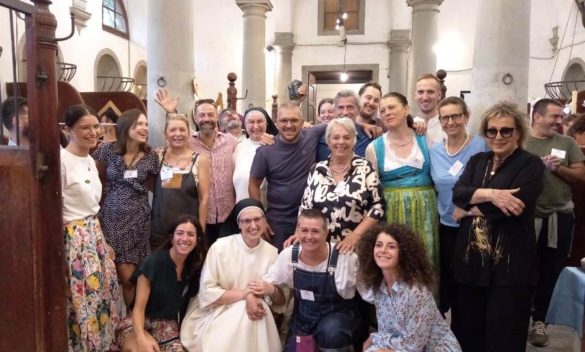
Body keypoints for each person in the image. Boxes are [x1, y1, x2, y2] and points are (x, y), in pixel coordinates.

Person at [451, 102, 545, 351]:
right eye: (492, 131)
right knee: (468, 330)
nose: (498, 136)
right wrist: (493, 194)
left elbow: (515, 205)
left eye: (506, 131)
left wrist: (470, 207)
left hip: (510, 265)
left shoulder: (531, 164)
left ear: (518, 133)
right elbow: (458, 193)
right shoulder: (477, 160)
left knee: (504, 332)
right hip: (471, 262)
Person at [181, 199, 281, 352]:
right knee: (245, 311)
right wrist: (246, 295)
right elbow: (207, 293)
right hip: (217, 310)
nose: (253, 225)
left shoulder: (272, 254)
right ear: (238, 224)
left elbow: (281, 301)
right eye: (247, 221)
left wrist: (270, 290)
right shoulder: (220, 247)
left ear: (265, 221)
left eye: (257, 219)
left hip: (257, 310)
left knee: (255, 312)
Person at [525, 98, 585, 347]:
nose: (559, 121)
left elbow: (580, 175)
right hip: (526, 217)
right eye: (555, 116)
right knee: (523, 269)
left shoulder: (567, 143)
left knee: (551, 269)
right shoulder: (522, 142)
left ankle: (540, 322)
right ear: (537, 117)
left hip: (558, 217)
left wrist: (558, 168)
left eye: (561, 117)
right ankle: (518, 316)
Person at [61, 104, 121, 351]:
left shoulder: (90, 158)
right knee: (82, 300)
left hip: (94, 234)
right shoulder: (61, 161)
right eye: (84, 128)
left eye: (95, 126)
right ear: (67, 130)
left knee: (103, 295)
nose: (92, 132)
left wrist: (103, 242)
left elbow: (92, 206)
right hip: (73, 238)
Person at [262, 209, 361, 351]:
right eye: (304, 230)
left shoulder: (344, 257)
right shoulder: (289, 255)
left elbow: (367, 290)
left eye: (315, 231)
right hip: (303, 320)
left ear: (326, 233)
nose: (309, 236)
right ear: (297, 231)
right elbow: (270, 281)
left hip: (336, 318)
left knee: (331, 334)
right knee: (296, 349)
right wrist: (254, 295)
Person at [357, 223, 462, 352]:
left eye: (391, 246)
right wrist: (377, 340)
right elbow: (387, 333)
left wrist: (376, 340)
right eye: (378, 245)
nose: (383, 250)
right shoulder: (378, 286)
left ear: (404, 253)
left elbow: (413, 347)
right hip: (401, 346)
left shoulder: (416, 291)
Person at [366, 92, 439, 270]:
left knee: (425, 258)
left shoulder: (425, 138)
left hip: (426, 211)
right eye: (382, 110)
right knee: (395, 261)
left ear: (406, 109)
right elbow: (372, 191)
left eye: (392, 107)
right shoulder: (374, 147)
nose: (387, 113)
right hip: (392, 212)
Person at [93, 108, 159, 306]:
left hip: (139, 219)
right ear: (125, 126)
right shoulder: (107, 150)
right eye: (139, 124)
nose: (144, 128)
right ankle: (126, 323)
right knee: (119, 276)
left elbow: (157, 190)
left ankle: (137, 320)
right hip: (111, 220)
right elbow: (95, 181)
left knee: (136, 276)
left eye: (146, 124)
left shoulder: (151, 156)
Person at [155, 90, 239, 246]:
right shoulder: (188, 141)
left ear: (217, 117)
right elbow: (177, 130)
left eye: (210, 114)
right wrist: (171, 111)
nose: (206, 119)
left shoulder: (232, 142)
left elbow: (249, 145)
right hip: (199, 217)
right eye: (202, 115)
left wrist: (263, 137)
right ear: (195, 118)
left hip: (228, 216)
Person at [429, 96, 486, 322]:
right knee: (447, 282)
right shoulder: (434, 152)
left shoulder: (482, 146)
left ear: (466, 117)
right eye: (445, 117)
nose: (451, 121)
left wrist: (471, 209)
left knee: (468, 287)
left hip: (475, 224)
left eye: (456, 116)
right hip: (444, 225)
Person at [118, 215, 207, 352]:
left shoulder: (195, 267)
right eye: (180, 233)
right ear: (172, 238)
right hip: (137, 322)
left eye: (190, 234)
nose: (184, 238)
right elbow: (138, 310)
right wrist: (141, 339)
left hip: (167, 325)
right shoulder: (152, 262)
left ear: (197, 240)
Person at [297, 117, 385, 252]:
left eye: (346, 137)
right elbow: (305, 207)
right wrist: (298, 233)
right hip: (320, 247)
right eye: (336, 137)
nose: (341, 142)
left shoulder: (365, 167)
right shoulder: (317, 169)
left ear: (354, 141)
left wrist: (355, 235)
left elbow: (378, 207)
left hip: (355, 246)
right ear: (328, 141)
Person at [249, 102, 328, 249]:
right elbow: (253, 183)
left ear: (303, 122)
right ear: (277, 123)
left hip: (309, 219)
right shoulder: (265, 150)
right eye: (284, 120)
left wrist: (368, 125)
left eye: (294, 120)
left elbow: (341, 123)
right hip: (278, 222)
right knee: (279, 266)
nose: (289, 125)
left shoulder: (311, 134)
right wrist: (260, 217)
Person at [151, 113, 211, 248]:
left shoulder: (200, 160)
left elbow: (204, 199)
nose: (177, 134)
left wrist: (199, 232)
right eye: (172, 130)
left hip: (187, 232)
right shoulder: (157, 156)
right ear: (165, 134)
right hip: (160, 230)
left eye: (182, 129)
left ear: (189, 133)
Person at [232, 107, 278, 203]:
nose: (256, 126)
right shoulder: (238, 147)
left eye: (260, 121)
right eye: (251, 122)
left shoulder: (276, 145)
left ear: (267, 123)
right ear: (245, 125)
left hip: (269, 211)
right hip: (242, 210)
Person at [413, 73, 444, 144]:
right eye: (420, 92)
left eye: (430, 92)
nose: (425, 98)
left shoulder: (449, 126)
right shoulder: (408, 127)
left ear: (439, 95)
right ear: (415, 95)